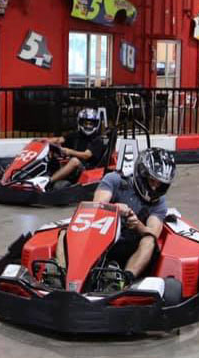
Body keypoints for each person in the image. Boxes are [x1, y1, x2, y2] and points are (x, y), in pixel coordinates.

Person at [93, 147, 177, 280]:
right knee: (64, 233)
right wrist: (114, 209)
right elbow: (95, 207)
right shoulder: (114, 180)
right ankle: (61, 274)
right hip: (101, 241)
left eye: (161, 184)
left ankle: (125, 279)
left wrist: (137, 224)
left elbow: (153, 232)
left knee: (149, 240)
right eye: (152, 180)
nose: (155, 187)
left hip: (129, 248)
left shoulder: (159, 203)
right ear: (142, 174)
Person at [47, 108, 107, 186]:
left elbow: (86, 155)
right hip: (75, 168)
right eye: (86, 123)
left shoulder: (97, 140)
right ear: (81, 122)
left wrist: (69, 151)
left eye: (91, 124)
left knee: (74, 161)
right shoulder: (76, 135)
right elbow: (59, 140)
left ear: (96, 124)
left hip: (88, 170)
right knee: (53, 157)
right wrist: (41, 141)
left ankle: (48, 181)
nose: (88, 126)